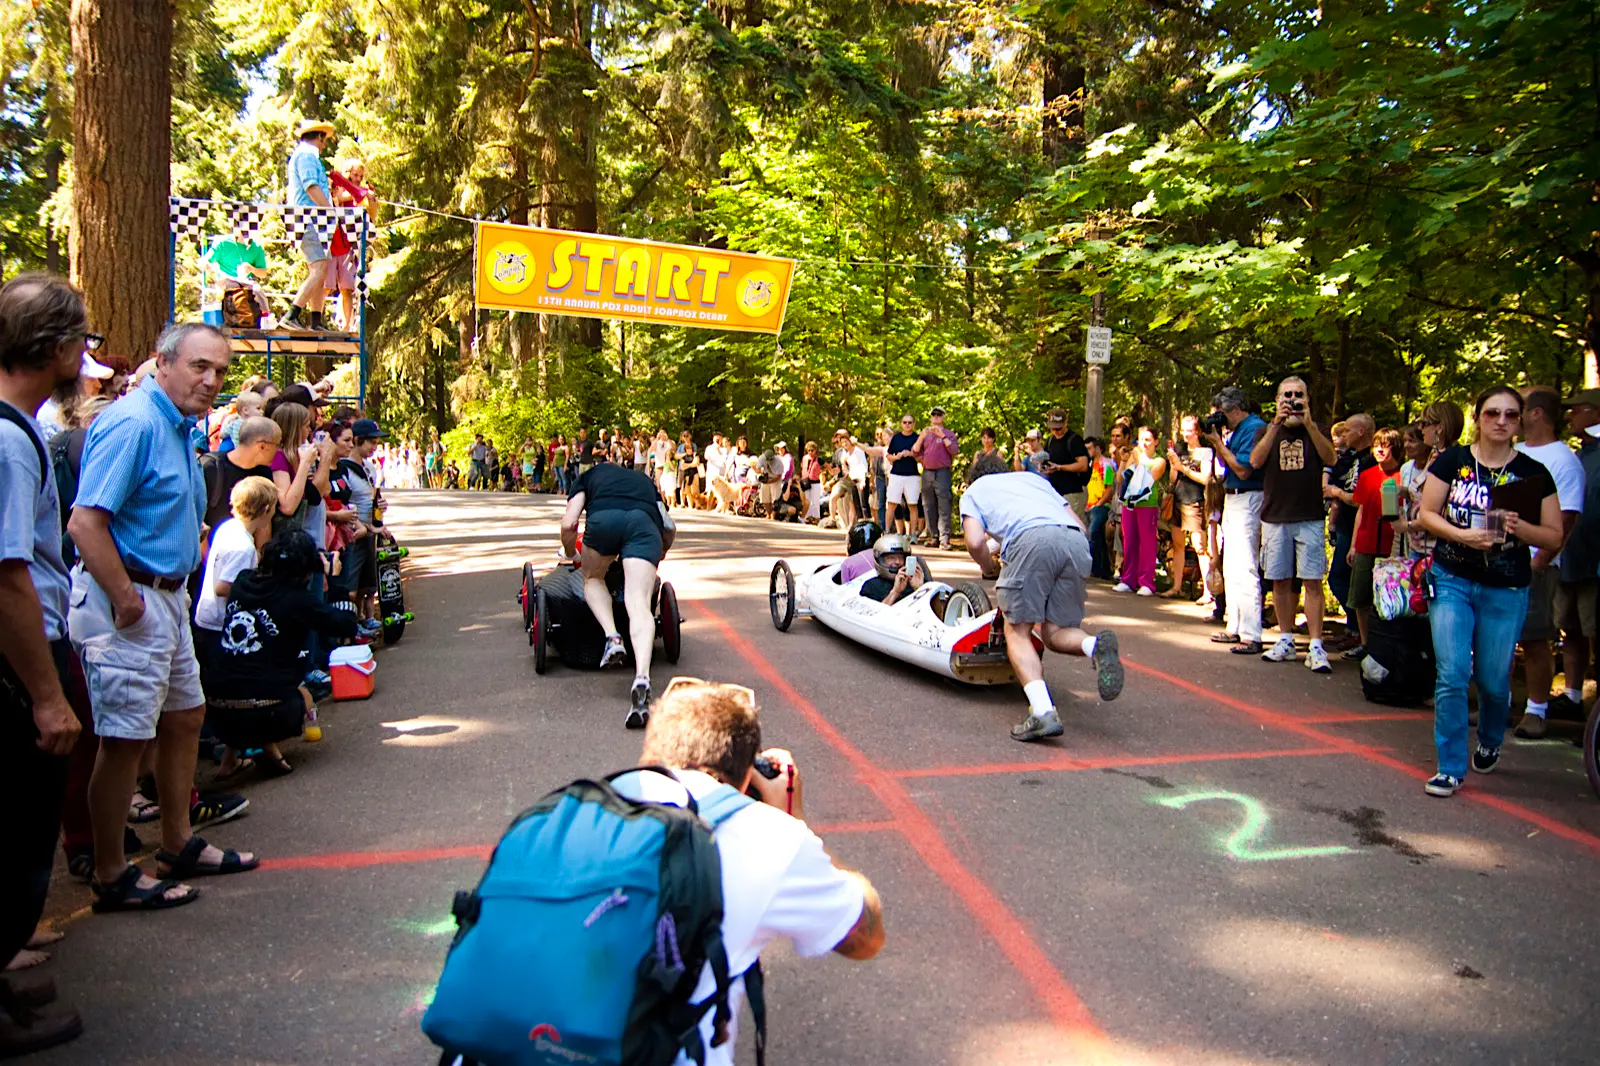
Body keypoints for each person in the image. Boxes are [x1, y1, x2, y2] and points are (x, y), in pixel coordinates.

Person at [66, 322, 258, 912]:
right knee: (124, 739)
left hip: (166, 599)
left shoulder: (175, 425)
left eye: (220, 371)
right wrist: (127, 599)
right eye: (200, 366)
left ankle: (176, 842)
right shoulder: (134, 423)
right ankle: (110, 872)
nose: (211, 380)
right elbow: (85, 522)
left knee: (185, 717)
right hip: (131, 601)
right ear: (164, 362)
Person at [605, 678, 884, 1066]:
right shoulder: (770, 839)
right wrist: (793, 818)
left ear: (651, 753)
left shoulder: (577, 811)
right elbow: (863, 936)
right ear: (747, 773)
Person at [0, 274, 88, 1054]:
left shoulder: (17, 431)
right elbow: (7, 575)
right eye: (81, 341)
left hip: (34, 646)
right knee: (16, 833)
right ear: (57, 347)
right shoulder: (7, 440)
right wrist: (44, 694)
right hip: (20, 661)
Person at [1415, 385, 1563, 796]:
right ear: (1477, 418)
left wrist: (1519, 528)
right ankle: (1449, 766)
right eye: (1492, 413)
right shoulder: (1452, 460)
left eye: (1511, 415)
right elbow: (1427, 514)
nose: (1501, 421)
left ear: (1520, 421)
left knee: (1494, 681)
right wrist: (1463, 536)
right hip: (1452, 578)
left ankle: (1491, 738)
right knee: (1453, 673)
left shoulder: (1533, 473)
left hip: (1506, 586)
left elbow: (1553, 537)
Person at [959, 453, 1123, 741]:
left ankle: (1043, 712)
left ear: (976, 476)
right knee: (1055, 631)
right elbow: (1079, 526)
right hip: (1074, 541)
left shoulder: (974, 492)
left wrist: (988, 566)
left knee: (1017, 630)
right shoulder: (1034, 481)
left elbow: (974, 541)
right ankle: (1095, 645)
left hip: (1031, 542)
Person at [208, 530, 360, 772]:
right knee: (303, 693)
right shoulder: (298, 599)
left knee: (246, 670)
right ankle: (269, 746)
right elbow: (347, 623)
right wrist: (335, 581)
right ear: (307, 567)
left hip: (216, 712)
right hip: (267, 713)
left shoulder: (242, 583)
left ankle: (233, 757)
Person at [561, 454, 676, 726]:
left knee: (593, 579)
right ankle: (642, 676)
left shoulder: (587, 478)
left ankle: (613, 638)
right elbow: (669, 527)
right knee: (639, 603)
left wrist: (571, 554)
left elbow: (569, 524)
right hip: (644, 526)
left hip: (604, 522)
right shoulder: (644, 481)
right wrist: (659, 552)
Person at [1512, 387, 1586, 738]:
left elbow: (1567, 518)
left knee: (1535, 636)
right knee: (1497, 635)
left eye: (1519, 408)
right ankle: (1501, 705)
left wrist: (1539, 563)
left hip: (1535, 563)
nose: (1511, 415)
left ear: (1537, 414)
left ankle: (1537, 710)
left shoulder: (1562, 460)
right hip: (1500, 559)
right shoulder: (1514, 452)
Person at [194, 477, 280, 776]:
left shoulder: (228, 528)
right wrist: (257, 587)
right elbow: (222, 586)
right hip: (221, 624)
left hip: (209, 619)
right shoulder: (242, 545)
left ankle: (232, 757)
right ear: (266, 509)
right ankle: (242, 748)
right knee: (236, 690)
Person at [1251, 376, 1338, 672]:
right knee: (1280, 579)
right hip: (1276, 516)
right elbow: (1255, 461)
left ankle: (1315, 645)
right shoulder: (1267, 430)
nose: (1292, 400)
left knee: (1312, 581)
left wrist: (1310, 424)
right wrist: (1276, 424)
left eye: (1298, 395)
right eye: (1286, 395)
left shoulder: (1318, 429)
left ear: (1307, 399)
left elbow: (1332, 458)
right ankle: (1285, 639)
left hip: (1310, 516)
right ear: (1277, 400)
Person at [1203, 386, 1268, 654]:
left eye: (1222, 414)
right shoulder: (1237, 430)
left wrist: (1219, 442)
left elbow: (1243, 469)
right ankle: (1235, 625)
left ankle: (1252, 634)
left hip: (1249, 495)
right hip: (1233, 498)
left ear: (1236, 409)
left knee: (1246, 567)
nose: (1220, 419)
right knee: (1231, 567)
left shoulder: (1254, 428)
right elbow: (1226, 465)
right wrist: (1218, 441)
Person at [1550, 393, 1600, 727]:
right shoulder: (1579, 456)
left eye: (1576, 411)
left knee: (1596, 631)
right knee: (1571, 630)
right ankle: (1571, 695)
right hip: (1569, 558)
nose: (1570, 418)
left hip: (1594, 563)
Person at [1343, 428, 1404, 658]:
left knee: (1390, 598)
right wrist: (1353, 544)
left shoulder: (1402, 475)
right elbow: (1360, 510)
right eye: (1377, 444)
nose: (1380, 449)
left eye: (1386, 445)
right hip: (1366, 542)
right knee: (1360, 597)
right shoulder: (1367, 475)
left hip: (1392, 546)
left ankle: (1387, 645)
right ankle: (1366, 643)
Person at [1321, 413, 1376, 641]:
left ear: (1361, 432)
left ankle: (1360, 631)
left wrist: (1337, 493)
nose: (1344, 435)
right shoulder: (1351, 458)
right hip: (1344, 524)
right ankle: (1353, 628)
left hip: (1359, 527)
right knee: (1341, 579)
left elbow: (1361, 498)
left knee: (1341, 578)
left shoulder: (1370, 460)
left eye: (1348, 431)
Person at [281, 120, 337, 332]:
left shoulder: (307, 156)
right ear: (320, 137)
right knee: (320, 267)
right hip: (309, 218)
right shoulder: (306, 156)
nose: (325, 145)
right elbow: (310, 186)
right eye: (325, 140)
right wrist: (329, 210)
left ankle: (315, 320)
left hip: (314, 219)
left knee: (320, 269)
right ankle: (291, 313)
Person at [200, 416, 281, 532]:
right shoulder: (211, 467)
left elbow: (264, 524)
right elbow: (196, 517)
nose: (278, 450)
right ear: (262, 445)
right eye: (277, 444)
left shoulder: (264, 473)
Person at [1111, 427, 1166, 596]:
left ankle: (1147, 582)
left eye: (1148, 440)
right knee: (1129, 541)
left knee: (1147, 543)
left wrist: (1138, 462)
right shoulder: (1134, 457)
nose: (1144, 443)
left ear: (1156, 441)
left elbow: (1148, 480)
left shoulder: (1159, 461)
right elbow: (1121, 479)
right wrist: (1123, 460)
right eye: (1141, 439)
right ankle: (1128, 579)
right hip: (1130, 504)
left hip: (1147, 504)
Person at [1164, 415, 1213, 600]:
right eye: (1183, 431)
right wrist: (1173, 466)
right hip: (1177, 499)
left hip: (1194, 500)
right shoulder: (1179, 450)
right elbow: (1172, 479)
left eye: (1189, 431)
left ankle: (1209, 591)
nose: (1186, 435)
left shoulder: (1206, 452)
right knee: (1177, 545)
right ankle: (1176, 586)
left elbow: (1205, 479)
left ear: (1198, 431)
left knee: (1199, 546)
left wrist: (1183, 469)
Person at [915, 407, 960, 550]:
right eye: (933, 415)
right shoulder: (925, 434)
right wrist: (921, 437)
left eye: (939, 415)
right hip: (927, 472)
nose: (936, 417)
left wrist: (943, 436)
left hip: (942, 472)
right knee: (928, 505)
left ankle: (944, 538)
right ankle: (933, 536)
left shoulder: (948, 434)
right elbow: (915, 451)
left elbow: (954, 450)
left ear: (943, 417)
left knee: (944, 504)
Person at [1041, 408, 1090, 514]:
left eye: (1058, 428)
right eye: (1053, 428)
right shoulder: (1050, 441)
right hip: (1055, 491)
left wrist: (1060, 467)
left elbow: (1083, 465)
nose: (1055, 431)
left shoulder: (1074, 440)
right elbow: (1046, 459)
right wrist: (1044, 468)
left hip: (1072, 491)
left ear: (1065, 423)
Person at [859, 533, 926, 604]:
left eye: (900, 557)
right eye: (891, 558)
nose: (897, 562)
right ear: (879, 559)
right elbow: (873, 614)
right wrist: (895, 592)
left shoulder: (915, 582)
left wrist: (919, 589)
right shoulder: (871, 586)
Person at [1084, 436, 1116, 580]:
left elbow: (1110, 487)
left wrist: (1100, 503)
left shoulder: (1106, 464)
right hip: (1090, 505)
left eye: (1090, 448)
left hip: (1102, 505)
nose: (1087, 451)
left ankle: (1098, 567)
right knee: (1096, 537)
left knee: (1094, 532)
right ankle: (1102, 569)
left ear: (1097, 448)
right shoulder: (1089, 465)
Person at [883, 416, 922, 537]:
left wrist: (911, 454)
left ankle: (912, 534)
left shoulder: (917, 438)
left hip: (913, 475)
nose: (907, 425)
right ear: (901, 424)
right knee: (892, 504)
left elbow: (922, 458)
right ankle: (887, 531)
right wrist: (897, 457)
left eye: (910, 422)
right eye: (905, 422)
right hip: (896, 474)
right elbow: (888, 456)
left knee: (912, 504)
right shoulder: (896, 438)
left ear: (914, 423)